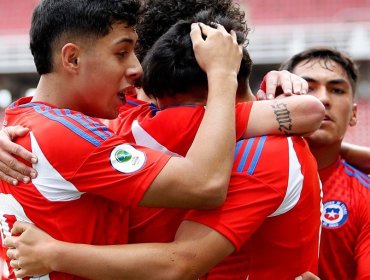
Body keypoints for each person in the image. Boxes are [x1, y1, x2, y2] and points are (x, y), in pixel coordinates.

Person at [5, 12, 323, 280]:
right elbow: (309, 112)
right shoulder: (136, 117)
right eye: (122, 54)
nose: (133, 75)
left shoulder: (264, 151)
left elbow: (183, 260)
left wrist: (55, 254)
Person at [280, 46, 370, 280]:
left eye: (337, 90)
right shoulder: (241, 172)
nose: (322, 99)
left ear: (353, 114)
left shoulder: (365, 196)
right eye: (307, 88)